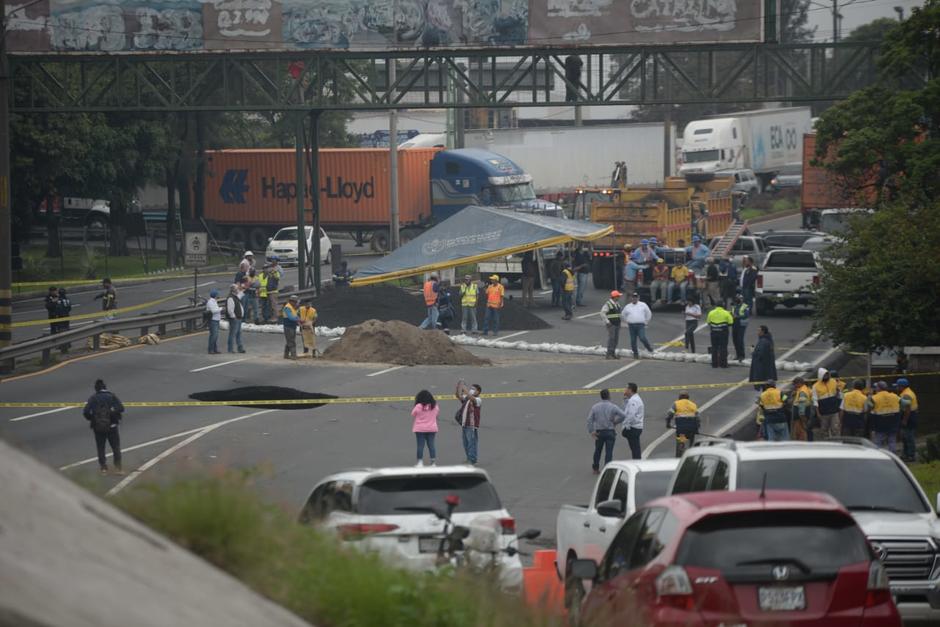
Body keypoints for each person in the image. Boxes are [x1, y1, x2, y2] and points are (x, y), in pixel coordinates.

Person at [83, 379, 125, 475]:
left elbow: (86, 412)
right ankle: (118, 468)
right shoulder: (112, 396)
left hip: (98, 428)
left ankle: (103, 468)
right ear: (105, 387)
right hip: (112, 426)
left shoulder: (93, 398)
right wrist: (112, 413)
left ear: (96, 389)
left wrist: (93, 419)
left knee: (101, 447)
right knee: (115, 447)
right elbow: (121, 408)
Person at [587, 388, 626, 474]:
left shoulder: (595, 407)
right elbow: (623, 415)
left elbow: (589, 419)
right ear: (609, 396)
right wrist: (616, 422)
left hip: (599, 432)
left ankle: (595, 468)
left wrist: (591, 431)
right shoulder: (613, 406)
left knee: (598, 450)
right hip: (610, 431)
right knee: (609, 452)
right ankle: (607, 470)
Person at [868, 381, 901, 453]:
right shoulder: (895, 396)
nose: (875, 389)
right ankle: (892, 457)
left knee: (878, 442)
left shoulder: (874, 398)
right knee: (892, 441)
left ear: (879, 388)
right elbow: (906, 403)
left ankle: (878, 457)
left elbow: (869, 407)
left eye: (876, 387)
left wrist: (869, 396)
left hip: (880, 423)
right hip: (893, 422)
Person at [455, 381, 482, 465]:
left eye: (473, 389)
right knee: (465, 443)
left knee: (471, 443)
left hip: (471, 425)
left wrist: (465, 389)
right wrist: (458, 388)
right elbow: (458, 396)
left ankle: (473, 460)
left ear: (478, 392)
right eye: (471, 388)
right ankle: (469, 458)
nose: (471, 390)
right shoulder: (467, 398)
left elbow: (472, 399)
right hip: (464, 424)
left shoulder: (478, 400)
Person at [812, 368, 842, 440]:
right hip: (823, 412)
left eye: (827, 375)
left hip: (834, 411)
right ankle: (825, 445)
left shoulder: (833, 382)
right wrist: (818, 413)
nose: (827, 377)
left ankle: (837, 444)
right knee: (824, 430)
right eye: (825, 375)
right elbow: (815, 400)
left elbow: (838, 394)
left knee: (835, 429)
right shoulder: (815, 386)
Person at [412, 390, 439, 467]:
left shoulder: (418, 406)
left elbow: (413, 413)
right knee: (431, 445)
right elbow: (436, 414)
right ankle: (433, 463)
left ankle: (420, 463)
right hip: (432, 428)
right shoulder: (435, 406)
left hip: (420, 428)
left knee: (420, 446)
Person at [623, 292, 653, 359]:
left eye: (636, 297)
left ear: (638, 298)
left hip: (640, 325)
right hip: (631, 325)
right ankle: (635, 353)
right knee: (633, 340)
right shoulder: (628, 306)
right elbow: (623, 315)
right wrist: (627, 321)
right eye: (633, 297)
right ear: (631, 298)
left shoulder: (643, 305)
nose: (634, 298)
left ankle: (649, 348)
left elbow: (649, 314)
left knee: (642, 337)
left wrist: (646, 322)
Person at [706, 302, 733, 368]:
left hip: (714, 332)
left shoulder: (711, 312)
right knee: (723, 347)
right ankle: (723, 364)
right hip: (723, 333)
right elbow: (731, 323)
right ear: (723, 305)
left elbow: (708, 322)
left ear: (716, 306)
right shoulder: (726, 313)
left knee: (714, 347)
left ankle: (714, 364)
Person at [621, 383, 644, 460]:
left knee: (635, 449)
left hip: (633, 427)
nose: (624, 390)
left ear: (630, 390)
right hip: (635, 427)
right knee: (635, 448)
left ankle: (637, 463)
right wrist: (625, 399)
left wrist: (626, 426)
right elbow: (627, 409)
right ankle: (637, 461)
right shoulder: (632, 400)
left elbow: (631, 414)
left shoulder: (634, 400)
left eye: (626, 389)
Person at [898, 378, 918, 462]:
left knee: (909, 437)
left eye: (898, 386)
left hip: (909, 417)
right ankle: (906, 454)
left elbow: (907, 409)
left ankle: (910, 455)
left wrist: (904, 420)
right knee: (905, 437)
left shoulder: (906, 395)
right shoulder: (909, 392)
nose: (897, 388)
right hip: (911, 416)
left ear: (902, 386)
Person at [599, 290, 623, 359]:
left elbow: (618, 314)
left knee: (616, 339)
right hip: (611, 324)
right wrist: (607, 322)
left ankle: (613, 353)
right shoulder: (608, 304)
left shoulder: (617, 303)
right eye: (618, 296)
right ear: (615, 297)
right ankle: (609, 354)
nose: (619, 297)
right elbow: (602, 313)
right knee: (612, 339)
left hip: (617, 323)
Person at [225, 283, 246, 354]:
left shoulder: (235, 296)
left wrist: (243, 289)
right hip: (235, 319)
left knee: (238, 333)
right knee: (233, 334)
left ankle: (240, 348)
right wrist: (233, 317)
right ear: (233, 290)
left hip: (238, 318)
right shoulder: (231, 298)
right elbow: (230, 310)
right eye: (237, 289)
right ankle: (230, 349)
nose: (238, 290)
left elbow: (241, 294)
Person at [790, 376, 812, 441]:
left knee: (800, 434)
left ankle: (802, 447)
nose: (794, 386)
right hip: (801, 417)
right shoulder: (803, 389)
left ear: (799, 383)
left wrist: (802, 417)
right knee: (801, 433)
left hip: (800, 417)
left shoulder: (802, 392)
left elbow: (801, 405)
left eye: (795, 384)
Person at [730, 293, 749, 362]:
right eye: (736, 298)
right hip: (734, 323)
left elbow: (746, 315)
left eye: (739, 298)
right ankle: (737, 355)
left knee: (740, 340)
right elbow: (732, 313)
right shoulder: (734, 306)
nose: (737, 300)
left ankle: (742, 355)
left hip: (741, 324)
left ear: (741, 299)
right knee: (735, 340)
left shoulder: (745, 306)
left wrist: (737, 316)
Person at [281, 294, 300, 359]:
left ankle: (286, 355)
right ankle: (293, 355)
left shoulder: (292, 308)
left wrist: (298, 320)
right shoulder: (287, 307)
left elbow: (295, 316)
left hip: (292, 326)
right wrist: (298, 319)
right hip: (288, 326)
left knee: (289, 341)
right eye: (295, 302)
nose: (296, 303)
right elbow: (291, 317)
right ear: (292, 301)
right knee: (291, 341)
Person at [54, 287, 72, 353]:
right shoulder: (67, 300)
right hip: (67, 316)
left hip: (60, 317)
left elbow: (56, 309)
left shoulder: (57, 300)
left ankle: (61, 345)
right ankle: (68, 344)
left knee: (60, 331)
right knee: (67, 330)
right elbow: (70, 308)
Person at [205, 289, 222, 354]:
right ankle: (211, 349)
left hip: (216, 320)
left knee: (215, 335)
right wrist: (220, 309)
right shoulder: (210, 302)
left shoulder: (214, 301)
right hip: (213, 320)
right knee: (214, 335)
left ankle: (215, 349)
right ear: (215, 295)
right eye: (217, 294)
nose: (218, 295)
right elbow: (214, 311)